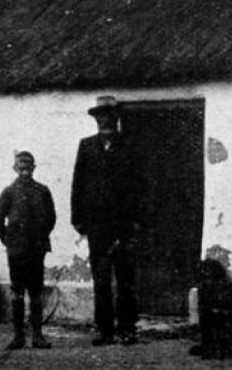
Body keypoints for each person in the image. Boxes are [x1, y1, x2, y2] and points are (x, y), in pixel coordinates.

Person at [71, 95, 141, 346]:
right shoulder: (86, 146)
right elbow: (78, 183)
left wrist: (136, 222)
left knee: (125, 279)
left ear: (117, 119)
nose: (104, 122)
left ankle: (127, 328)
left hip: (123, 225)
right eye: (100, 118)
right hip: (97, 225)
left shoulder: (130, 146)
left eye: (109, 117)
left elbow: (140, 186)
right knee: (101, 279)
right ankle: (104, 330)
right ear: (96, 121)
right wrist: (78, 219)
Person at [0, 151, 56, 350]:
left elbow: (51, 218)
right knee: (18, 293)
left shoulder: (43, 191)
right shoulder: (8, 192)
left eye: (28, 166)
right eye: (21, 167)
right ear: (15, 168)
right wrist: (10, 242)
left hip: (36, 250)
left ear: (34, 168)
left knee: (36, 293)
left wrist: (40, 238)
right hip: (17, 252)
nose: (25, 170)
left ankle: (37, 336)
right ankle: (18, 337)